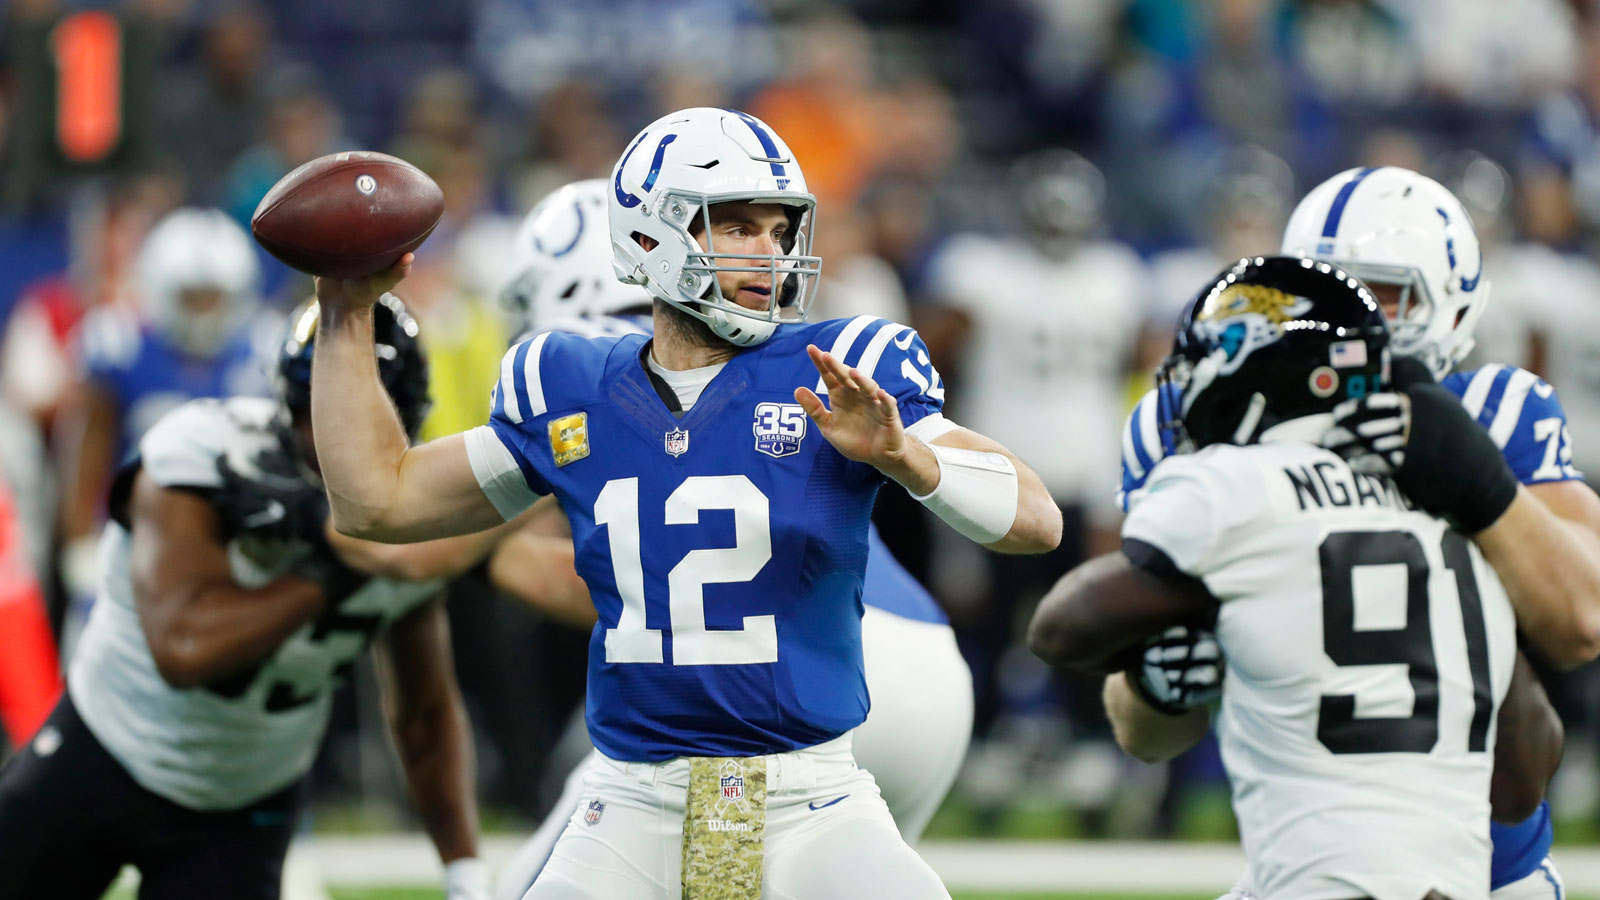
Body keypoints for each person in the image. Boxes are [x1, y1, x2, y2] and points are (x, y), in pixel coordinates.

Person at [308, 107, 1061, 899]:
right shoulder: (570, 385)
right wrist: (345, 310)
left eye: (780, 231)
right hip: (632, 800)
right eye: (738, 227)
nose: (768, 254)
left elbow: (1037, 521)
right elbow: (378, 502)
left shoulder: (840, 367)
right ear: (647, 238)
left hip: (809, 799)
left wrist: (906, 455)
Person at [1115, 167, 1596, 899]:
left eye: (1387, 292)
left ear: (1455, 307)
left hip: (1486, 868)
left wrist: (1480, 485)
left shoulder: (1497, 413)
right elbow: (1145, 734)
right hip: (1305, 858)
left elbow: (1582, 621)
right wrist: (1159, 684)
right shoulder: (1202, 425)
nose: (1358, 315)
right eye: (1336, 287)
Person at [487, 179, 974, 900]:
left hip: (796, 680)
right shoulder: (754, 355)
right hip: (923, 666)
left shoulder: (597, 373)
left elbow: (635, 591)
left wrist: (481, 559)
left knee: (544, 869)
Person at [1031, 256, 1523, 900]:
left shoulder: (1232, 485)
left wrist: (1161, 662)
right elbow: (1525, 773)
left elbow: (1062, 628)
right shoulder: (1458, 514)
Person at [0, 297, 496, 900]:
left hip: (243, 806)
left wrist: (464, 870)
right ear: (294, 401)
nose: (355, 434)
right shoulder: (205, 453)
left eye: (379, 413)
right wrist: (330, 574)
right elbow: (183, 647)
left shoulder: (406, 530)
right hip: (106, 751)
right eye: (334, 407)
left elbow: (423, 714)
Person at [56, 206, 279, 655]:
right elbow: (87, 447)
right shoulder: (120, 345)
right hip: (132, 541)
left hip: (232, 546)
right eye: (191, 296)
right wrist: (80, 539)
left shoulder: (263, 351)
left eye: (212, 297)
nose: (202, 311)